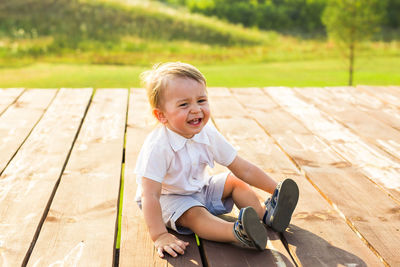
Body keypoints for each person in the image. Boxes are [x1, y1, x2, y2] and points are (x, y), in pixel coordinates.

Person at [135, 62, 299, 258]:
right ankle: (237, 232)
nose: (196, 109)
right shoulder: (158, 147)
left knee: (235, 181)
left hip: (200, 187)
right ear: (161, 115)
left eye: (201, 100)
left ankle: (266, 213)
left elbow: (243, 169)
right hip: (167, 199)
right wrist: (160, 235)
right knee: (195, 214)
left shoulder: (207, 133)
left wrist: (275, 190)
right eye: (184, 104)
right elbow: (149, 195)